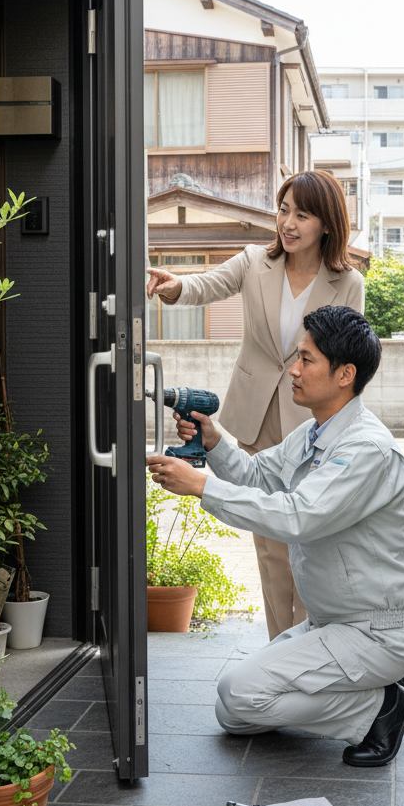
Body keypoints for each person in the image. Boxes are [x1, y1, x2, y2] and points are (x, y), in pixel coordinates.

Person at [146, 306, 404, 767]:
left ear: (345, 374)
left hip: (374, 632)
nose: (293, 369)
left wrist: (201, 486)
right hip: (331, 623)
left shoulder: (366, 449)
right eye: (297, 356)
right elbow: (258, 475)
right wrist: (213, 441)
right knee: (232, 713)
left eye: (306, 359)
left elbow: (298, 517)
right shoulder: (315, 433)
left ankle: (381, 707)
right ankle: (375, 689)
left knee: (239, 695)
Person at [146, 171, 365, 642]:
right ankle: (280, 648)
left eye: (302, 215)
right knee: (271, 549)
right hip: (256, 415)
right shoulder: (253, 261)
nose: (288, 223)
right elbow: (206, 285)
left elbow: (348, 355)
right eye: (283, 210)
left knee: (312, 540)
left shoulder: (348, 282)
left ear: (327, 223)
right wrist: (173, 285)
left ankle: (311, 647)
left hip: (313, 421)